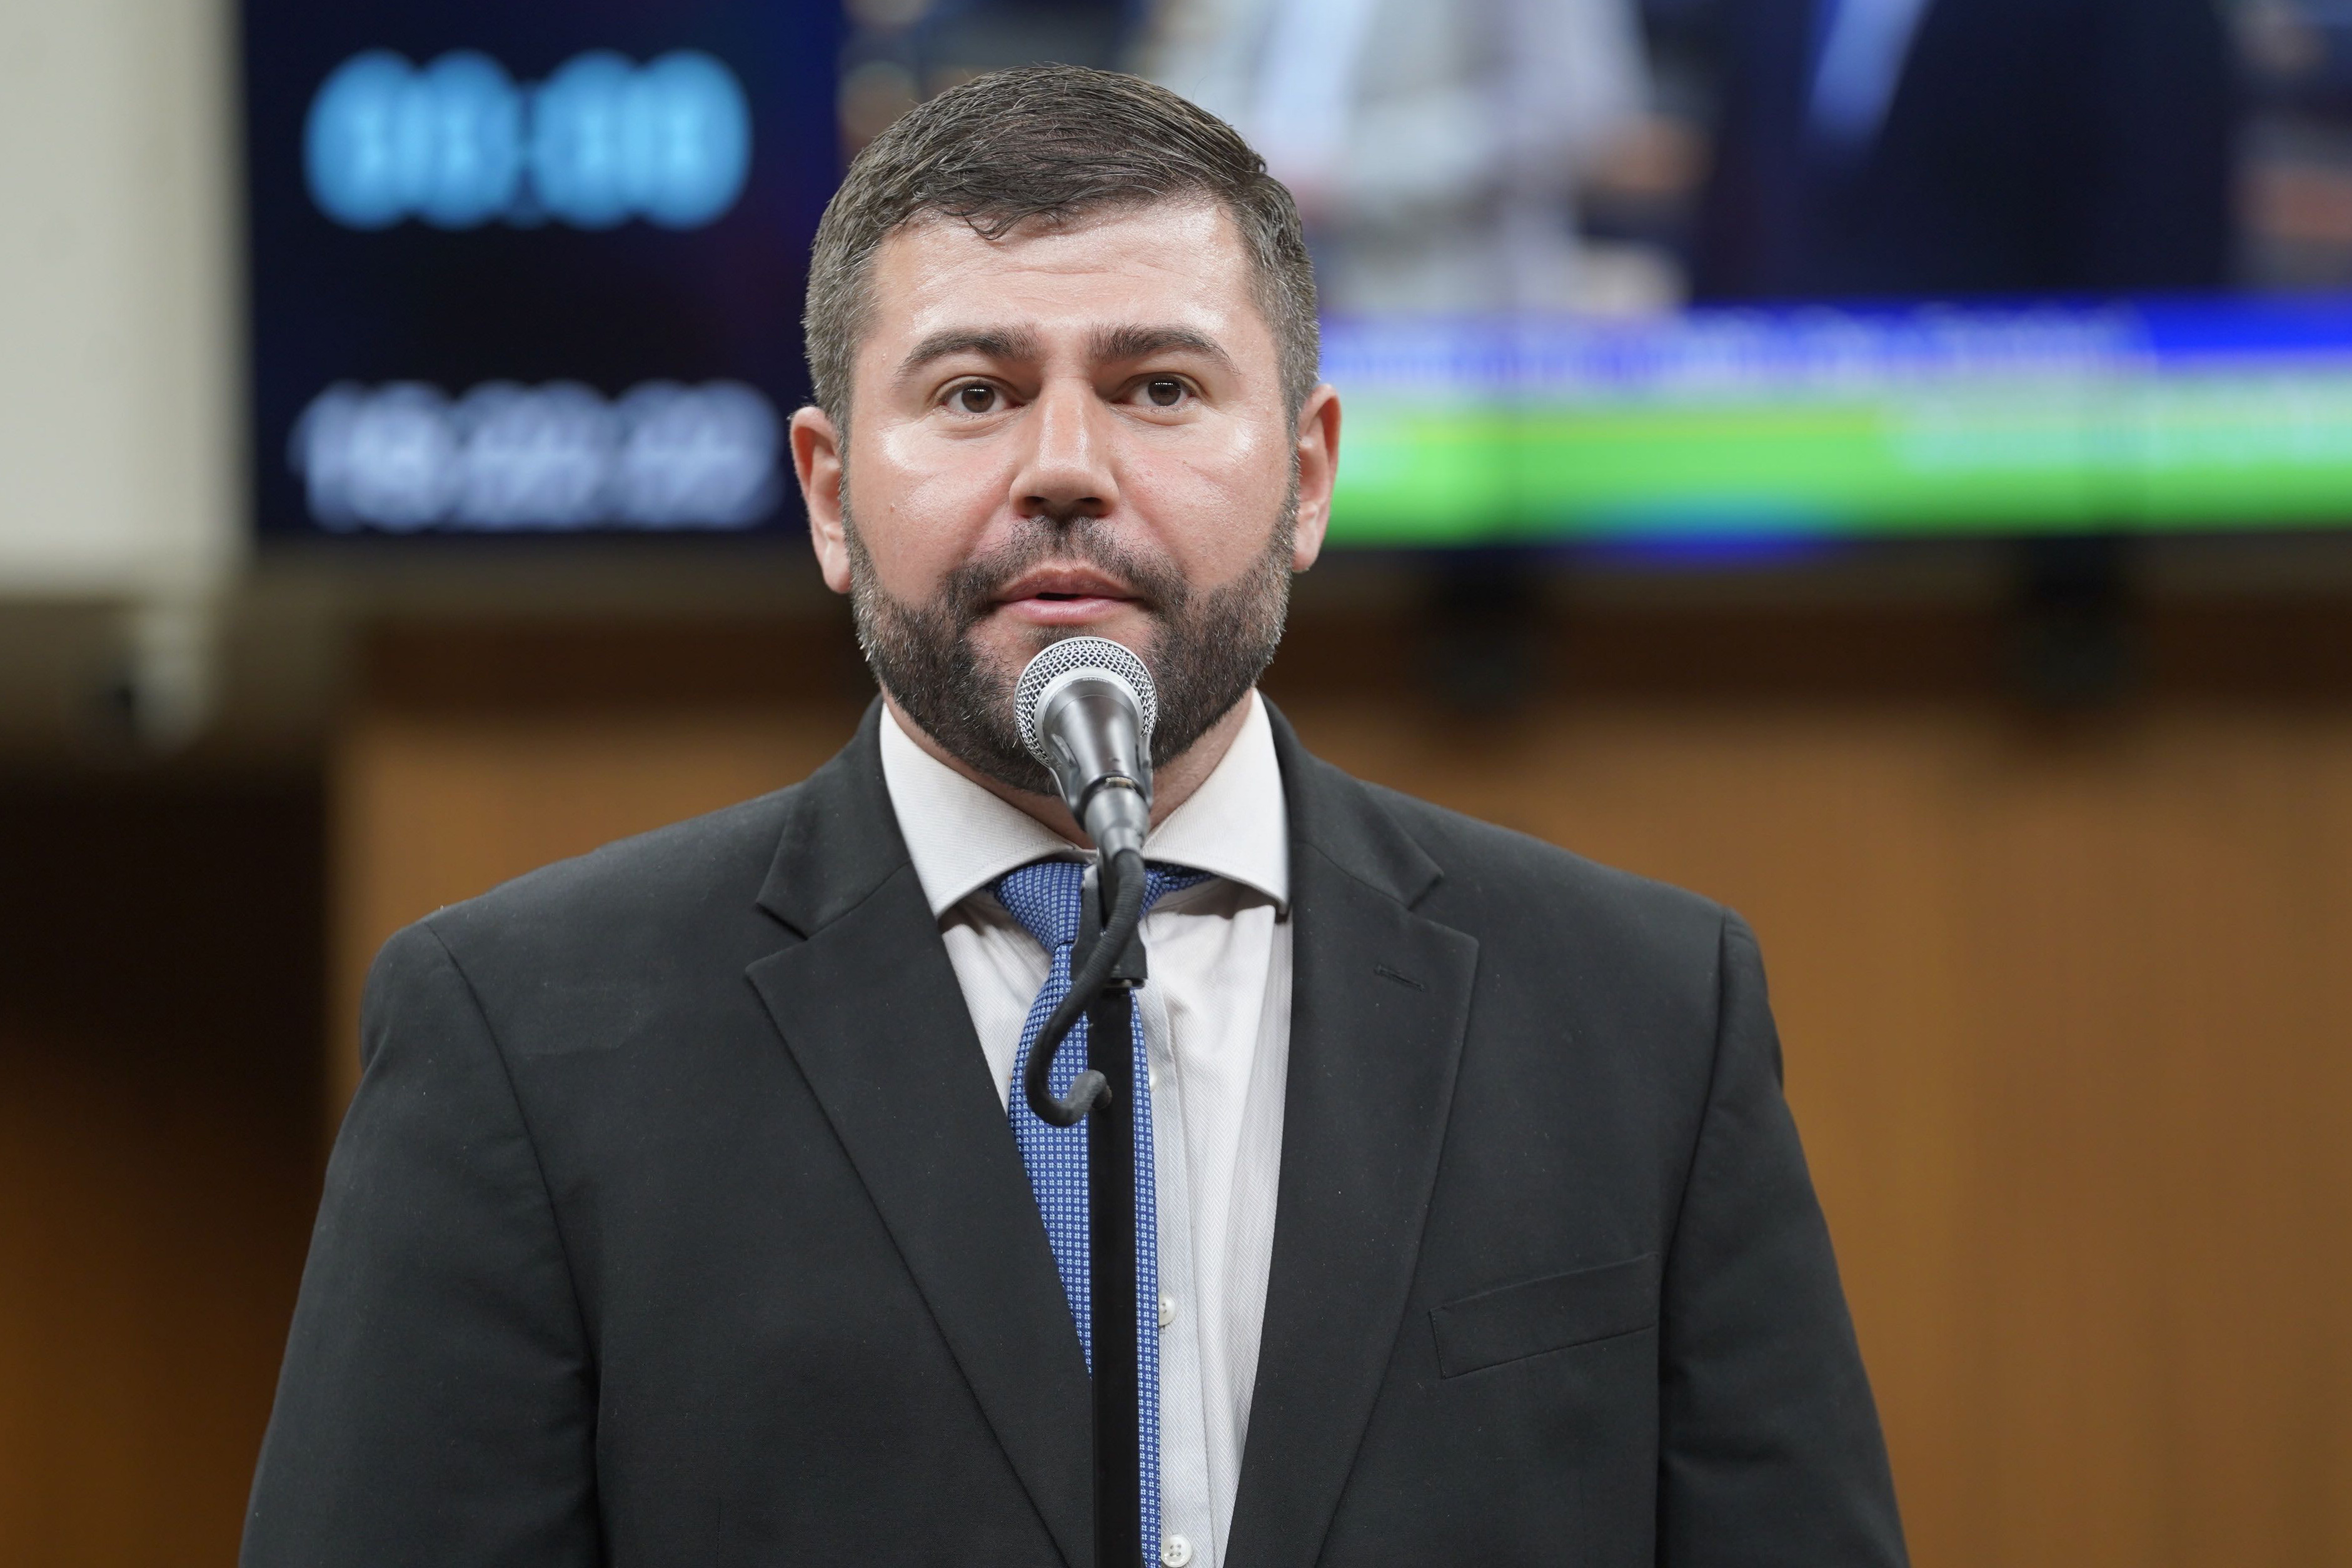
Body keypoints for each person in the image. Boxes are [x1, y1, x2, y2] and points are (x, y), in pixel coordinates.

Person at [242, 66, 1907, 1567]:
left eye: (1159, 387)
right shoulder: (523, 1040)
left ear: (1308, 475)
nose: (1064, 465)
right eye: (973, 392)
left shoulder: (1642, 1014)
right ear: (830, 495)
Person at [1696, 0, 2236, 301]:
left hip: (2008, 438)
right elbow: (1738, 209)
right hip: (1777, 425)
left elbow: (2162, 270)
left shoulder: (2142, 18)